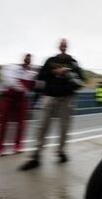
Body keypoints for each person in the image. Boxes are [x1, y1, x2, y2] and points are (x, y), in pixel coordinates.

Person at [20, 39, 85, 170]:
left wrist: (70, 77)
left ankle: (61, 151)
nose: (63, 46)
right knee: (42, 126)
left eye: (65, 45)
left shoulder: (73, 62)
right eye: (62, 44)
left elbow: (81, 81)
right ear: (59, 46)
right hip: (49, 96)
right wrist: (55, 72)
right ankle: (35, 156)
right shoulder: (49, 61)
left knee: (64, 128)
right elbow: (40, 77)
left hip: (66, 98)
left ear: (67, 47)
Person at [0, 54, 36, 155]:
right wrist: (23, 89)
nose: (28, 60)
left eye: (30, 58)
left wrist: (27, 89)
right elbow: (9, 80)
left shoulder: (32, 73)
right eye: (27, 57)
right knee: (3, 123)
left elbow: (34, 86)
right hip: (8, 98)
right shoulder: (12, 68)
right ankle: (0, 147)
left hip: (22, 100)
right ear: (23, 59)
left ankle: (18, 146)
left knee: (22, 124)